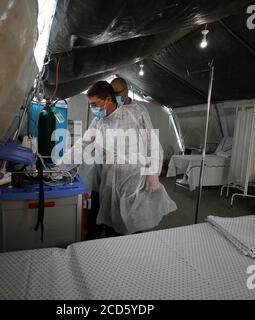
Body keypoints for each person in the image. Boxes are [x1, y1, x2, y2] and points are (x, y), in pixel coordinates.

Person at [60, 81, 177, 236]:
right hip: (109, 181)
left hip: (134, 181)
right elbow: (82, 145)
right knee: (112, 223)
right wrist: (60, 167)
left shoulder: (136, 113)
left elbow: (152, 143)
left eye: (95, 104)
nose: (92, 108)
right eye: (91, 105)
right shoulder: (99, 122)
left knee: (134, 223)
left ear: (108, 100)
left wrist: (153, 172)